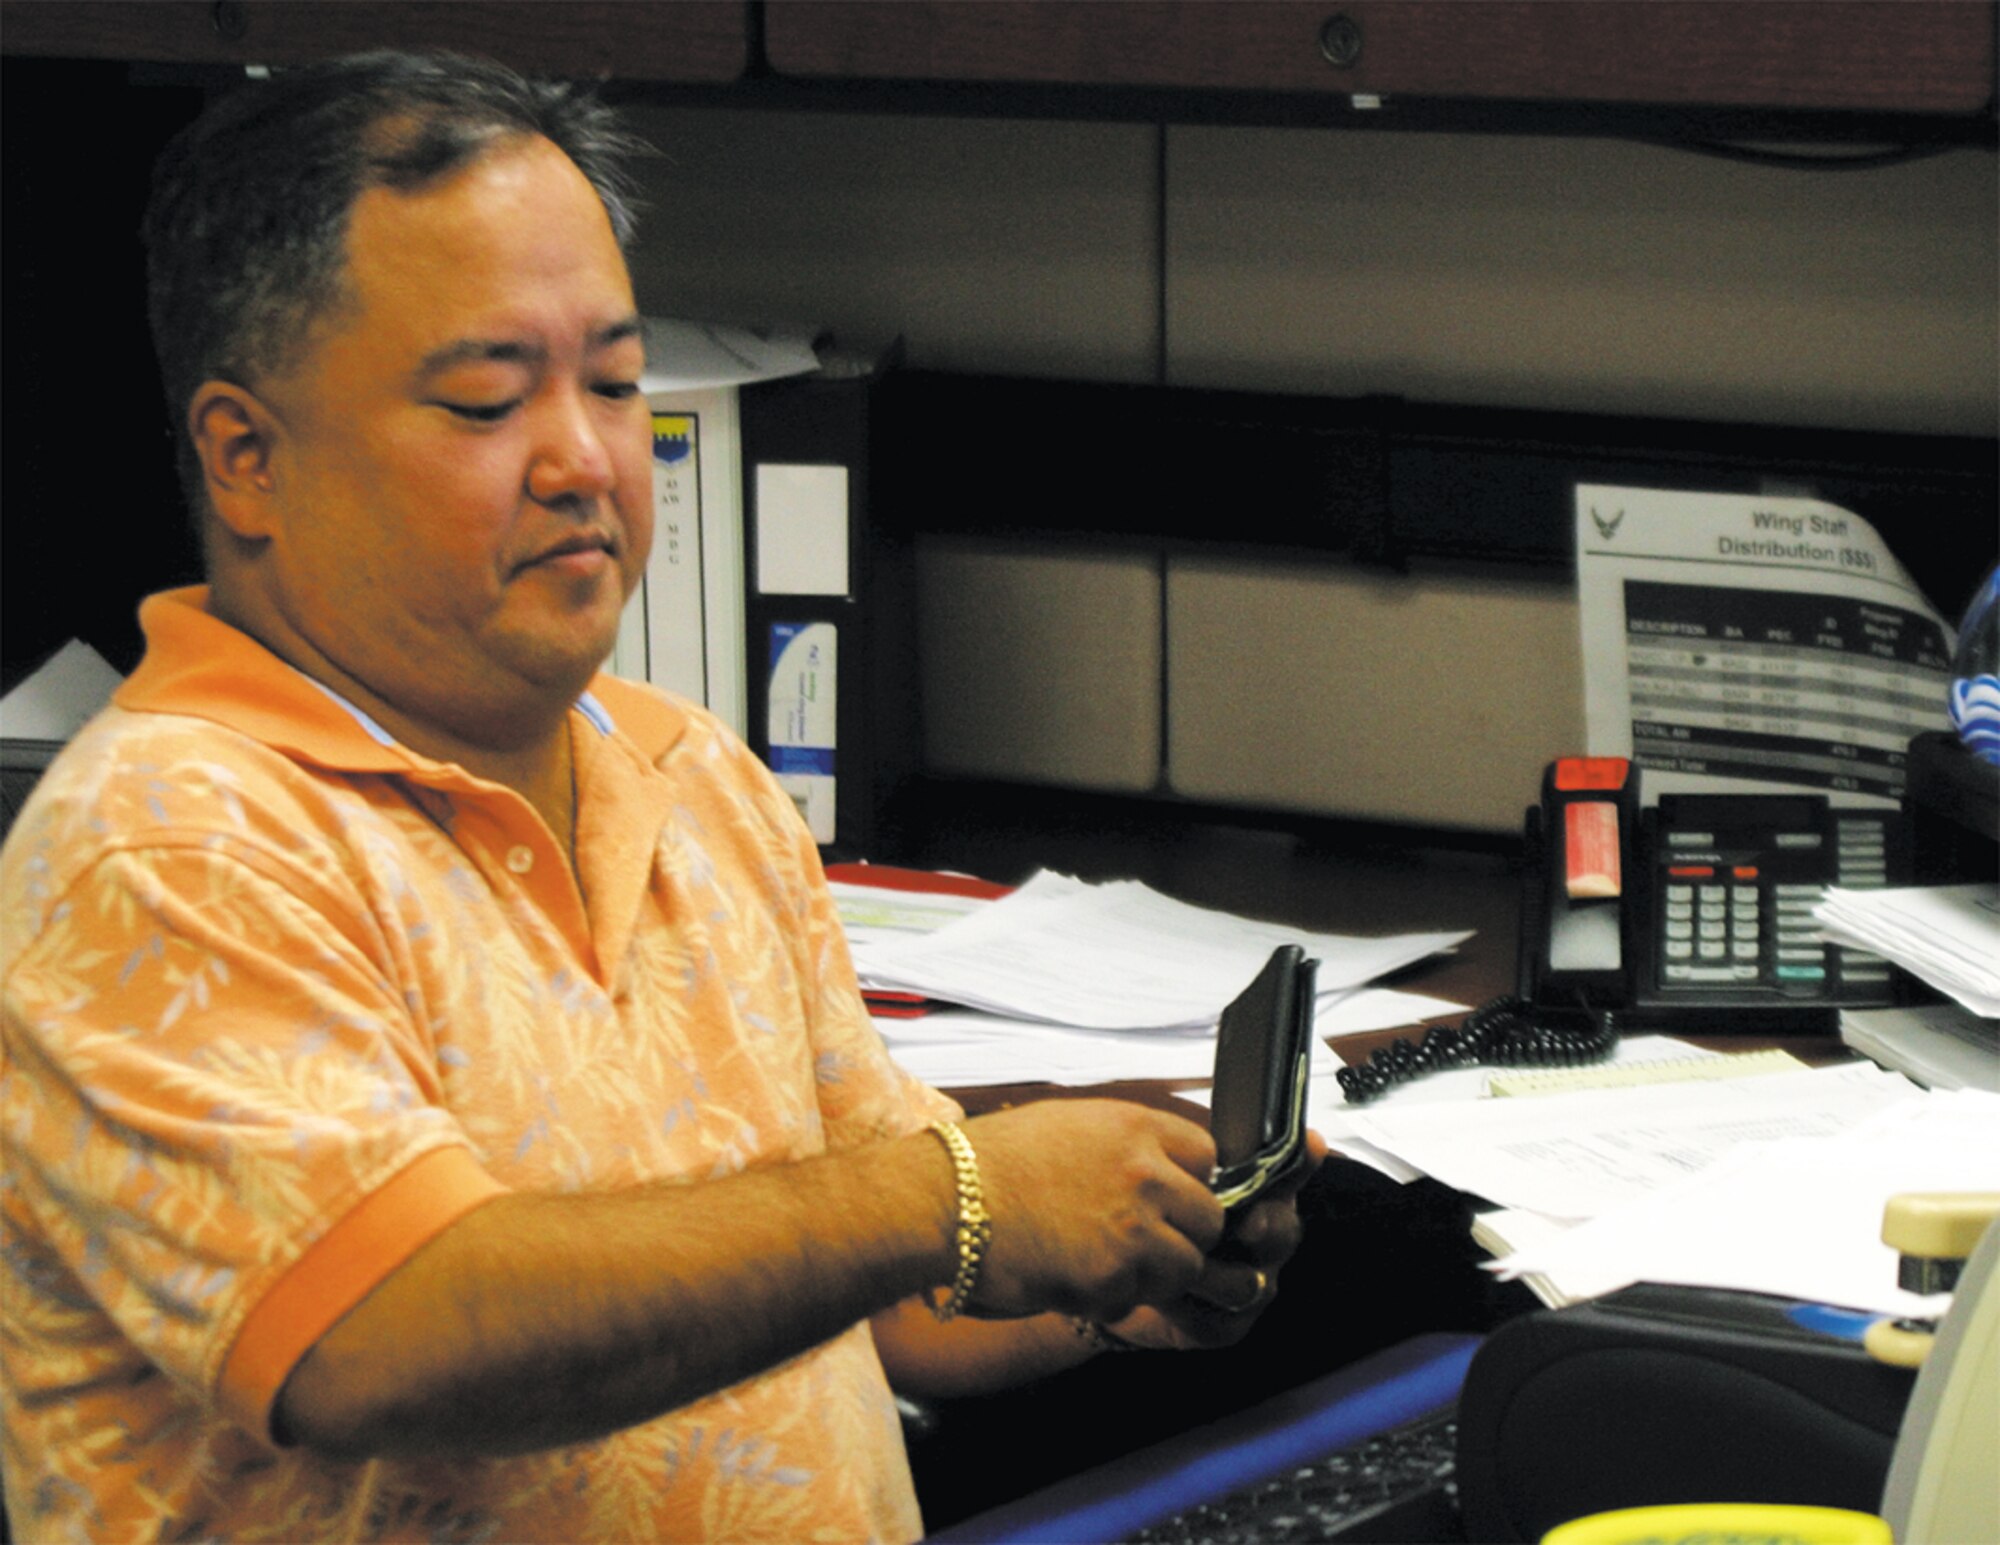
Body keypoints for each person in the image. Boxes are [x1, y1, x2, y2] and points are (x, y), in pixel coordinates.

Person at [0, 49, 1319, 1543]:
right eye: (492, 398)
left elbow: (885, 1308)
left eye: (617, 383)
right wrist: (955, 1188)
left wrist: (1112, 1269)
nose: (585, 458)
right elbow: (383, 1333)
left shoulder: (690, 774)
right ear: (247, 458)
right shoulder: (166, 844)